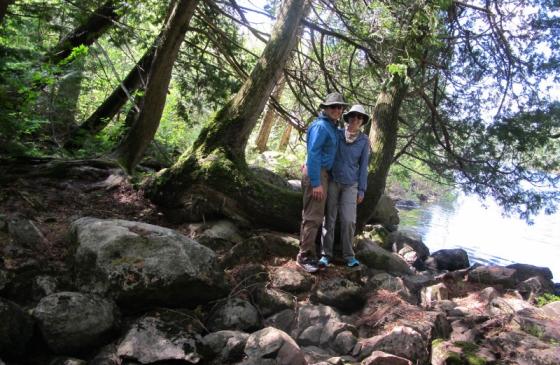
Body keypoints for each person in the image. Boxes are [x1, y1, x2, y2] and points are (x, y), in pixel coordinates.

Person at [297, 92, 348, 273]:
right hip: (316, 173)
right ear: (325, 108)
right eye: (333, 106)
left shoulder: (333, 127)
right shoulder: (321, 126)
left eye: (340, 107)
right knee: (313, 216)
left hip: (323, 173)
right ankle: (304, 257)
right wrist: (316, 182)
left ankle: (309, 252)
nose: (337, 110)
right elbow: (314, 152)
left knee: (314, 214)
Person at [319, 104, 370, 268]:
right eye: (353, 116)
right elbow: (324, 150)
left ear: (362, 121)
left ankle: (349, 256)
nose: (356, 119)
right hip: (333, 180)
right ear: (347, 118)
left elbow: (363, 166)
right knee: (330, 218)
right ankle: (326, 254)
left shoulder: (364, 140)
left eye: (359, 117)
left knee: (348, 220)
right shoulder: (337, 133)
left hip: (351, 185)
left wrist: (362, 189)